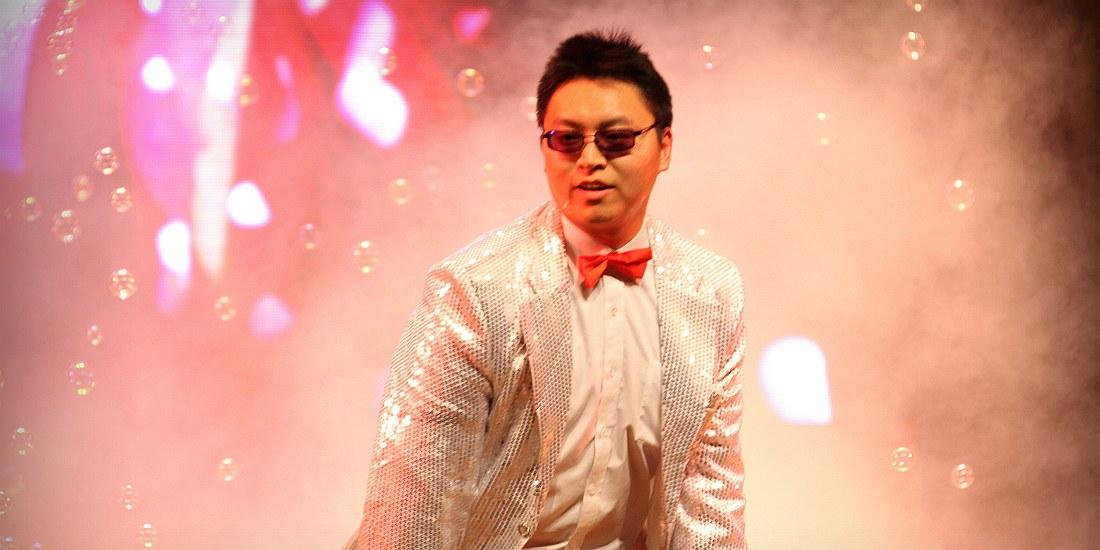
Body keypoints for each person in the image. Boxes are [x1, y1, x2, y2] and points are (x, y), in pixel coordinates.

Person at [344, 29, 747, 550]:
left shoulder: (713, 292)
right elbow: (413, 508)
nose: (589, 159)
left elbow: (710, 504)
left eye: (616, 139)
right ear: (544, 148)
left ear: (664, 146)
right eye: (567, 140)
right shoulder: (474, 290)